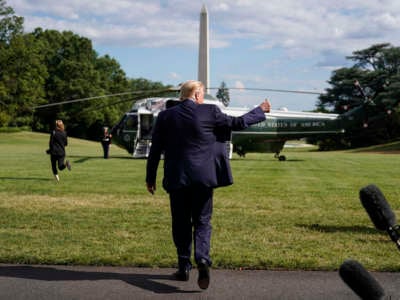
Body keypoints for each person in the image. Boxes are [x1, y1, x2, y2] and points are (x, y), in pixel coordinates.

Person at [145, 80, 271, 290]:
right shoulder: (210, 112)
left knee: (181, 222)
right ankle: (202, 259)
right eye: (202, 94)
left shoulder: (165, 116)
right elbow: (237, 123)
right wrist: (260, 110)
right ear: (195, 95)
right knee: (203, 221)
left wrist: (150, 178)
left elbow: (155, 150)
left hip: (177, 178)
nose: (203, 98)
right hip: (204, 178)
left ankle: (184, 266)